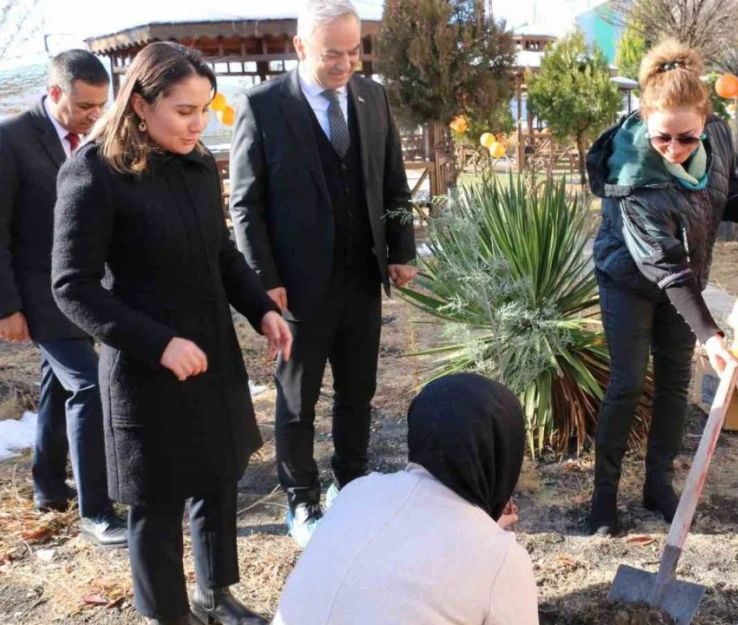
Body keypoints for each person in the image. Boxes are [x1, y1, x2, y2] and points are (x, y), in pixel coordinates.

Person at [52, 42, 293, 625]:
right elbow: (72, 286)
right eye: (184, 111)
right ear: (139, 103)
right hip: (145, 368)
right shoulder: (94, 173)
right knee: (156, 505)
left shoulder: (192, 164)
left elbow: (222, 254)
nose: (199, 123)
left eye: (204, 109)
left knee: (218, 479)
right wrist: (158, 343)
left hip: (211, 352)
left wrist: (261, 308)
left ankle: (215, 595)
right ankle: (170, 615)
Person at [585, 39, 738, 536]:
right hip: (629, 281)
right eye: (663, 139)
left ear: (704, 121)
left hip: (685, 279)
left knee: (676, 384)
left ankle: (657, 485)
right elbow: (663, 265)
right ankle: (603, 498)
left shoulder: (717, 137)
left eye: (686, 138)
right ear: (645, 121)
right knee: (629, 384)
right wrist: (711, 335)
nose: (675, 150)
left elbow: (728, 193)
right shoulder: (630, 173)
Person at [230, 0, 417, 547]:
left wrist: (402, 250)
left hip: (362, 278)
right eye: (332, 52)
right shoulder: (263, 106)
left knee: (358, 392)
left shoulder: (371, 97)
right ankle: (301, 500)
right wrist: (263, 279)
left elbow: (393, 183)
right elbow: (246, 203)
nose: (345, 63)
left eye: (354, 50)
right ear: (301, 48)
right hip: (296, 287)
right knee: (296, 401)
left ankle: (351, 484)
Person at [271, 373, 538, 625]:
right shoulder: (503, 560)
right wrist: (490, 543)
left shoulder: (357, 491)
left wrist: (485, 534)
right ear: (504, 454)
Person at [0, 50, 126, 547]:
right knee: (91, 387)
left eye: (102, 104)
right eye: (84, 105)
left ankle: (50, 487)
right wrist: (6, 306)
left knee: (60, 386)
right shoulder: (9, 140)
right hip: (36, 295)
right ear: (55, 94)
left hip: (83, 290)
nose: (95, 115)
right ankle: (97, 511)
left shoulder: (97, 137)